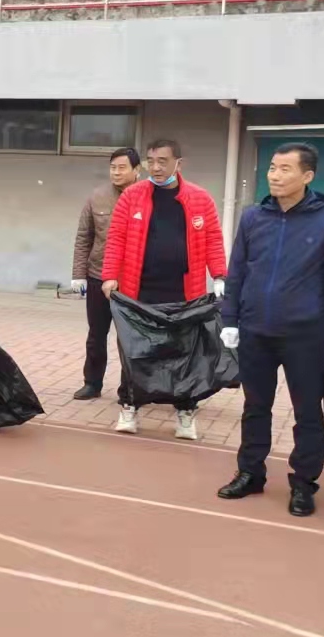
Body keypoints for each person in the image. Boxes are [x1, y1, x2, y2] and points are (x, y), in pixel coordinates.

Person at [218, 143, 324, 517]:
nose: (275, 176)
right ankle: (250, 473)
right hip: (255, 331)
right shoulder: (253, 217)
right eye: (272, 168)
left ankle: (304, 484)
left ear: (307, 176)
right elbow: (237, 271)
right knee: (255, 406)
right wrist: (229, 319)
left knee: (307, 411)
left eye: (285, 169)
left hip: (303, 335)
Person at [99, 137, 228, 440]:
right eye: (151, 161)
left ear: (178, 163)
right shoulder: (132, 196)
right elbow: (116, 238)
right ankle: (129, 407)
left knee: (185, 353)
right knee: (136, 352)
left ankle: (185, 412)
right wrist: (109, 276)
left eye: (163, 161)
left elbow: (213, 239)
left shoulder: (200, 199)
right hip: (139, 290)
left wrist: (220, 275)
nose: (156, 167)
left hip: (184, 292)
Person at [69, 147, 143, 400]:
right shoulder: (97, 197)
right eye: (113, 167)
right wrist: (78, 274)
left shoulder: (147, 197)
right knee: (96, 335)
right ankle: (92, 383)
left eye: (122, 167)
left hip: (133, 280)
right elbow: (84, 237)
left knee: (131, 337)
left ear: (137, 170)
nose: (116, 172)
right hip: (98, 276)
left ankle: (130, 387)